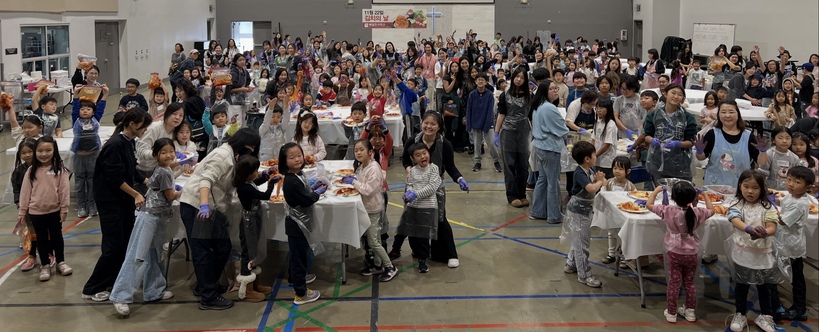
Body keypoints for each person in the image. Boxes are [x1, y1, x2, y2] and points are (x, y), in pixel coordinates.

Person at [179, 128, 260, 310]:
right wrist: (204, 205)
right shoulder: (222, 156)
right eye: (251, 146)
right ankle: (208, 296)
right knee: (202, 252)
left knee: (223, 248)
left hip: (213, 209)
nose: (252, 150)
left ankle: (206, 285)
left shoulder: (234, 156)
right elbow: (206, 180)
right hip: (198, 207)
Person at [82, 108, 153, 302]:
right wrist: (136, 193)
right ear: (132, 124)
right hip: (111, 203)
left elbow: (131, 170)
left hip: (123, 202)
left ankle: (114, 280)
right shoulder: (115, 145)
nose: (145, 130)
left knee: (125, 243)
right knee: (113, 247)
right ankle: (92, 288)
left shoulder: (129, 142)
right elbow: (114, 178)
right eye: (143, 126)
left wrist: (148, 182)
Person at [109, 138, 180, 316]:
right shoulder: (163, 172)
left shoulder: (165, 169)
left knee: (155, 254)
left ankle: (154, 290)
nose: (168, 155)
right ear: (155, 156)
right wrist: (184, 191)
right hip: (149, 217)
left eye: (171, 151)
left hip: (159, 217)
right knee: (138, 256)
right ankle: (120, 296)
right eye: (163, 152)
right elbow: (170, 196)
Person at [393, 111, 468, 268]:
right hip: (414, 186)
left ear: (439, 127)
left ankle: (448, 254)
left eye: (433, 124)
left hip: (435, 187)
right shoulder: (413, 140)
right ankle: (419, 251)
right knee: (414, 217)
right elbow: (405, 159)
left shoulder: (444, 144)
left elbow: (450, 166)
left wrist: (459, 179)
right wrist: (410, 171)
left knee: (439, 218)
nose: (429, 126)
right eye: (426, 123)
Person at [646, 181, 714, 323]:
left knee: (674, 283)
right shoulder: (697, 212)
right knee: (690, 282)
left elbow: (649, 205)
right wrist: (704, 194)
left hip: (673, 251)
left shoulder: (668, 211)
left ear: (673, 198)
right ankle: (690, 312)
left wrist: (656, 191)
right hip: (692, 252)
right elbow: (711, 210)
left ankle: (671, 313)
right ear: (693, 198)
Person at [725, 170, 779, 332]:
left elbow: (772, 227)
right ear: (739, 186)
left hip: (763, 255)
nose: (750, 191)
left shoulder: (767, 206)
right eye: (746, 186)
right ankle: (740, 314)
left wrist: (765, 233)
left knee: (765, 287)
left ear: (762, 189)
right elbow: (734, 219)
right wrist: (748, 228)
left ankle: (766, 315)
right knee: (741, 286)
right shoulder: (737, 204)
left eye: (755, 188)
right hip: (742, 253)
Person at [341, 139, 397, 281]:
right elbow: (361, 180)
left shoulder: (374, 168)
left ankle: (390, 267)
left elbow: (368, 190)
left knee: (373, 242)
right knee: (374, 238)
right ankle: (377, 265)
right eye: (356, 150)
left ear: (370, 152)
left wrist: (354, 182)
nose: (358, 153)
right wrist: (352, 178)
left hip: (373, 208)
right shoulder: (362, 166)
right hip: (366, 207)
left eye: (361, 150)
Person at [18, 136, 71, 282]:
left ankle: (61, 262)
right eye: (40, 150)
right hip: (36, 212)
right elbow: (25, 192)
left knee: (56, 237)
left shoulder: (60, 170)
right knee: (41, 239)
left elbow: (64, 191)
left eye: (48, 150)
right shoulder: (31, 171)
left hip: (54, 211)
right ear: (35, 151)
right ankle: (45, 265)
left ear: (54, 151)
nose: (44, 154)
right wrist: (22, 211)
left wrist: (64, 209)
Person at [279, 142, 325, 305]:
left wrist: (312, 187)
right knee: (298, 259)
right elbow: (306, 200)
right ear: (284, 161)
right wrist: (317, 193)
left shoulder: (298, 174)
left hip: (301, 223)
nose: (297, 159)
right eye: (292, 157)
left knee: (298, 254)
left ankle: (295, 278)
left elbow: (304, 191)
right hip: (297, 225)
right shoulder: (291, 181)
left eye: (299, 155)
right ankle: (300, 293)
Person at [232, 155, 279, 302]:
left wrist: (265, 176)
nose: (257, 173)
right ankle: (247, 290)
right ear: (247, 173)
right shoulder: (244, 188)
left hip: (254, 220)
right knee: (249, 252)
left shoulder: (247, 183)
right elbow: (264, 196)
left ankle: (255, 284)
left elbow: (256, 182)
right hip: (249, 223)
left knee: (255, 250)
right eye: (255, 171)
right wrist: (271, 184)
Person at [770, 166, 813, 322]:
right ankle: (794, 307)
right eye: (789, 180)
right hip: (784, 241)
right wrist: (772, 198)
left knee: (793, 277)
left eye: (797, 182)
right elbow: (782, 200)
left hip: (790, 245)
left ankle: (798, 309)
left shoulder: (800, 203)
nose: (791, 184)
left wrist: (770, 209)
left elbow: (782, 220)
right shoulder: (792, 195)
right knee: (793, 275)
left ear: (808, 187)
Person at [561, 141, 605, 288]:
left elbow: (599, 183)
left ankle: (571, 264)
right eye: (594, 155)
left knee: (578, 240)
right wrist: (599, 182)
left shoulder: (589, 170)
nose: (596, 157)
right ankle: (584, 274)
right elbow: (591, 188)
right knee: (581, 244)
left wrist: (601, 180)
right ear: (587, 159)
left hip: (584, 210)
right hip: (578, 212)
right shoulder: (579, 172)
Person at [695, 100, 767, 186]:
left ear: (738, 114)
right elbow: (701, 158)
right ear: (718, 115)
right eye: (723, 112)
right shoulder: (712, 134)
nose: (727, 115)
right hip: (714, 185)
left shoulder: (748, 136)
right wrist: (699, 151)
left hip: (740, 186)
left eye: (731, 112)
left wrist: (763, 152)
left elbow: (761, 162)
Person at [397, 142, 443, 273]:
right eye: (418, 155)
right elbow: (410, 184)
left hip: (427, 208)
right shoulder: (412, 170)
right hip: (413, 207)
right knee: (404, 230)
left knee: (423, 237)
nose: (422, 156)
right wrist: (408, 193)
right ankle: (395, 251)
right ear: (413, 159)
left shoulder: (434, 169)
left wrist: (415, 194)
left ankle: (422, 261)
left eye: (424, 153)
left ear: (429, 154)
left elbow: (432, 187)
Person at [529, 80, 567, 223]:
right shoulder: (549, 107)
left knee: (543, 179)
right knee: (553, 182)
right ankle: (554, 215)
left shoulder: (538, 106)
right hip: (549, 147)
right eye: (551, 89)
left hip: (540, 146)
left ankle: (537, 211)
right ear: (544, 91)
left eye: (556, 88)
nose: (555, 90)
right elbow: (561, 128)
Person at [644, 84, 697, 184]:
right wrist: (652, 140)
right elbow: (647, 135)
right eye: (673, 93)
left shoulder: (688, 117)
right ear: (665, 94)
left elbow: (691, 142)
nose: (676, 96)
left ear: (683, 98)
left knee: (682, 191)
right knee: (661, 191)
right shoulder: (653, 115)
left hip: (681, 163)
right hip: (658, 161)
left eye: (680, 95)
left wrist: (678, 144)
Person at [495, 67, 531, 207]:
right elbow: (502, 113)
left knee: (523, 164)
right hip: (508, 131)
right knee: (509, 164)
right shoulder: (505, 94)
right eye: (517, 76)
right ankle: (512, 195)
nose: (519, 80)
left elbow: (531, 115)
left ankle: (522, 194)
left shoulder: (529, 95)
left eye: (522, 77)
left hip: (523, 132)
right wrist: (496, 132)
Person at [71, 85, 108, 217]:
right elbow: (75, 107)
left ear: (93, 112)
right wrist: (76, 94)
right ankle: (81, 206)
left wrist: (105, 93)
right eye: (82, 109)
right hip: (79, 156)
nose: (85, 111)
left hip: (93, 156)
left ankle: (91, 205)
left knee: (92, 182)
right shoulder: (76, 120)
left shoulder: (95, 120)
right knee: (80, 182)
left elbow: (101, 107)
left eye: (88, 109)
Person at [135, 103, 186, 193]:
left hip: (158, 170)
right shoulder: (154, 128)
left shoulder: (174, 131)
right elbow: (141, 151)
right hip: (142, 170)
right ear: (167, 114)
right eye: (174, 114)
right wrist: (159, 154)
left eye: (181, 115)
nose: (177, 117)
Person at [600, 156, 637, 265]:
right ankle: (611, 254)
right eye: (615, 168)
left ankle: (624, 256)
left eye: (620, 169)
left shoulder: (629, 185)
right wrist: (603, 185)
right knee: (611, 233)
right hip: (612, 214)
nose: (617, 171)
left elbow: (635, 198)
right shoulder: (609, 183)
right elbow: (603, 195)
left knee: (624, 235)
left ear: (628, 171)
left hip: (624, 215)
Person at [13, 139, 40, 272]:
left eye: (30, 151)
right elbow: (17, 191)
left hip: (42, 207)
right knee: (30, 233)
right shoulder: (18, 172)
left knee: (46, 232)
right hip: (27, 209)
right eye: (23, 153)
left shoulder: (43, 168)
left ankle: (49, 254)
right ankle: (31, 256)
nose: (27, 155)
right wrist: (20, 205)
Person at [465, 73, 500, 172]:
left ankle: (496, 161)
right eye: (478, 80)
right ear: (475, 82)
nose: (480, 81)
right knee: (477, 144)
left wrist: (487, 125)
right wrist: (468, 126)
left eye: (482, 80)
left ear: (486, 82)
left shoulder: (489, 95)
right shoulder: (472, 94)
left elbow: (490, 111)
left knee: (491, 143)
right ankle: (478, 162)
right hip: (475, 123)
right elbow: (469, 110)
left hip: (488, 124)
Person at [760, 126, 801, 191]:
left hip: (788, 191)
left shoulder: (794, 158)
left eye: (787, 138)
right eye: (780, 138)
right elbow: (763, 173)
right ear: (773, 140)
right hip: (771, 190)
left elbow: (798, 176)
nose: (784, 141)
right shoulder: (769, 154)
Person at [176, 79, 208, 160]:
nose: (178, 94)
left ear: (187, 89)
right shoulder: (197, 98)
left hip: (198, 136)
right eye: (176, 92)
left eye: (180, 91)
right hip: (204, 134)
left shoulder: (189, 103)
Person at [593, 99, 618, 178]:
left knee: (605, 182)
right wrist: (592, 153)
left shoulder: (611, 125)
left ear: (608, 109)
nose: (598, 110)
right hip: (597, 159)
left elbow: (606, 146)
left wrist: (595, 156)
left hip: (606, 161)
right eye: (597, 108)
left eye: (601, 108)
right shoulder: (598, 123)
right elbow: (593, 139)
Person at [613, 75, 642, 140]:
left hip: (638, 132)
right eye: (622, 89)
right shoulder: (618, 100)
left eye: (627, 89)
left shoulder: (641, 100)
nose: (624, 91)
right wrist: (626, 130)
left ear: (634, 88)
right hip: (622, 132)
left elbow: (644, 118)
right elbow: (615, 117)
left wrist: (641, 130)